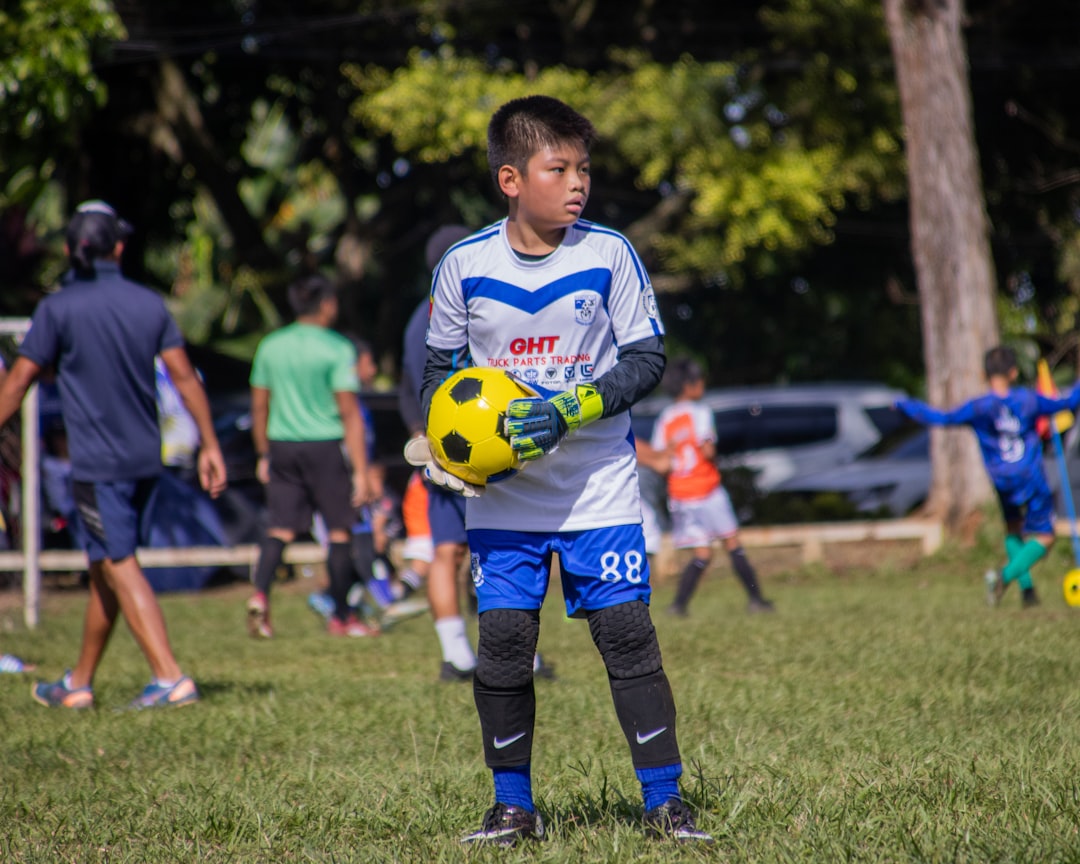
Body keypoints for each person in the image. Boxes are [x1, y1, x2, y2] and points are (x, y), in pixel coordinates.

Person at [405, 97, 712, 844]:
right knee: (505, 642)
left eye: (584, 168)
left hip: (598, 487)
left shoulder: (608, 253)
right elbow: (438, 375)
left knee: (627, 634)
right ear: (511, 178)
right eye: (558, 168)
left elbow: (646, 361)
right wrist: (451, 447)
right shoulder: (464, 267)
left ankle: (665, 804)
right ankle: (512, 808)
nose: (578, 183)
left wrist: (568, 410)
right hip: (505, 501)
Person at [0, 199, 227, 709]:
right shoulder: (149, 304)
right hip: (147, 459)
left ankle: (170, 677)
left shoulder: (57, 308)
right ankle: (78, 683)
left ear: (69, 249)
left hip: (97, 465)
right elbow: (186, 377)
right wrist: (210, 444)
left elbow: (18, 383)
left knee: (119, 562)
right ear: (118, 247)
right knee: (105, 563)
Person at [896, 345, 1080, 607]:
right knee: (1045, 537)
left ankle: (1028, 593)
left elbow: (942, 418)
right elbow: (1069, 403)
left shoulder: (979, 407)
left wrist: (905, 405)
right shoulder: (1028, 400)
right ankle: (1002, 577)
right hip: (1030, 476)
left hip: (1002, 479)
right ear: (1014, 372)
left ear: (985, 374)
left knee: (1013, 528)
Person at [246, 274, 375, 639]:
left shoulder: (271, 346)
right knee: (338, 533)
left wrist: (262, 453)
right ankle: (341, 616)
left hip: (282, 445)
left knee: (280, 528)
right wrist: (362, 471)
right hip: (325, 446)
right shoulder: (336, 348)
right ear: (327, 304)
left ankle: (259, 595)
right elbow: (350, 413)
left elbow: (259, 406)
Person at [651, 357, 774, 616]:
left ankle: (678, 606)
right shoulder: (701, 412)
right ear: (690, 385)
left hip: (681, 494)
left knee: (701, 553)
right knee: (732, 544)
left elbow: (661, 460)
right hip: (706, 489)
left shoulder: (665, 418)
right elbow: (707, 449)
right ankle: (756, 600)